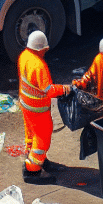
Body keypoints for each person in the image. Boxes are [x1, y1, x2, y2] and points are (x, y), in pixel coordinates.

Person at [18, 30, 69, 183]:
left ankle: (37, 159)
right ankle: (33, 170)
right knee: (42, 139)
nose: (46, 50)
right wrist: (65, 89)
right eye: (45, 48)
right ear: (41, 48)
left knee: (31, 135)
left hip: (26, 105)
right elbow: (49, 90)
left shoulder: (24, 56)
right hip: (38, 109)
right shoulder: (39, 65)